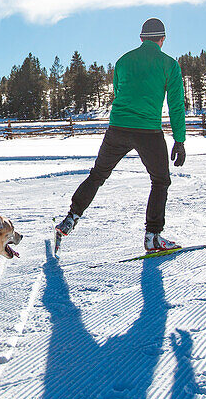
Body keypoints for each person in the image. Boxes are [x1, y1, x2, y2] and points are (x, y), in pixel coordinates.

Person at [55, 17, 187, 251]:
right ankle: (153, 236)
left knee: (97, 175)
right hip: (148, 131)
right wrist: (179, 140)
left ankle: (71, 217)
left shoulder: (123, 61)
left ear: (141, 38)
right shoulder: (170, 64)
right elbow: (176, 105)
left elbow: (118, 91)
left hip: (117, 128)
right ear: (162, 39)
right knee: (160, 180)